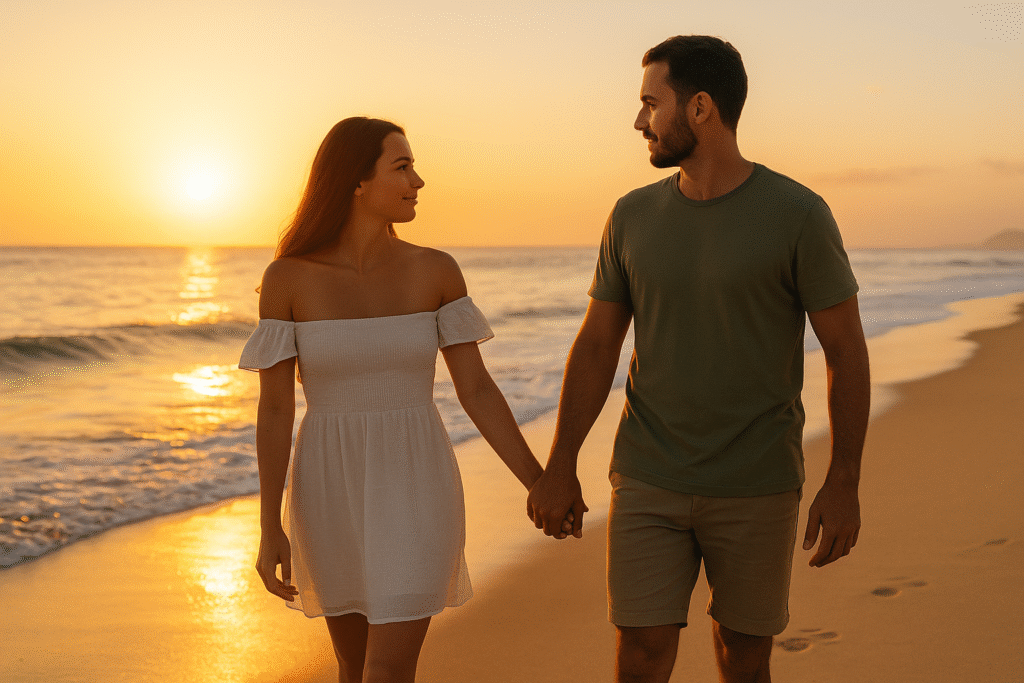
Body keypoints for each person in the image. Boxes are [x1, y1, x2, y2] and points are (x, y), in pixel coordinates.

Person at [526, 36, 870, 683]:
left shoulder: (798, 215)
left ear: (701, 108)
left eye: (650, 104)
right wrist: (559, 463)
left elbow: (846, 352)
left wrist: (845, 478)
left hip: (758, 481)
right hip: (648, 474)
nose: (638, 121)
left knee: (743, 654)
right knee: (641, 651)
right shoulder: (630, 217)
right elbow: (598, 346)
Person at [238, 117, 567, 683]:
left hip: (415, 480)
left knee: (387, 669)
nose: (419, 181)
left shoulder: (434, 270)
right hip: (328, 485)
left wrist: (537, 479)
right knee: (352, 667)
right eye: (402, 166)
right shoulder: (288, 278)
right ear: (355, 182)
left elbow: (477, 388)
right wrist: (270, 524)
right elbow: (274, 410)